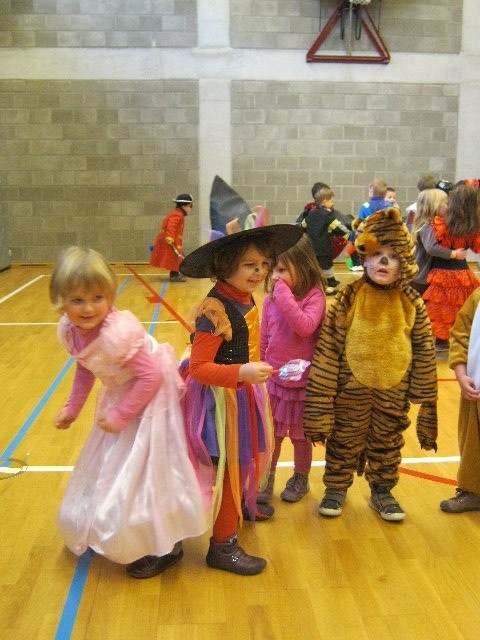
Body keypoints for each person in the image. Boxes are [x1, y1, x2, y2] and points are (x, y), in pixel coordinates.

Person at [50, 246, 208, 578]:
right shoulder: (71, 331)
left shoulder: (117, 333)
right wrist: (72, 408)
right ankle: (117, 528)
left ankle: (166, 545)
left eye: (97, 298)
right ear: (61, 302)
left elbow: (151, 377)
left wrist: (121, 415)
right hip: (125, 394)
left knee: (150, 470)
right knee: (116, 465)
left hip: (152, 398)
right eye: (77, 300)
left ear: (110, 297)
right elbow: (86, 366)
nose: (88, 308)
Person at [179, 224, 303, 575]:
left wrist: (257, 368)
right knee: (233, 466)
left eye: (264, 264)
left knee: (246, 462)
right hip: (220, 403)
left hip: (243, 394)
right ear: (225, 265)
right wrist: (242, 372)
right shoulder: (214, 310)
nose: (260, 272)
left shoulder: (244, 296)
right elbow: (199, 368)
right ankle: (223, 545)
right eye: (250, 265)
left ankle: (242, 504)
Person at [304, 207, 438, 522]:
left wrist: (425, 396)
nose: (382, 263)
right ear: (364, 258)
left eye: (391, 257)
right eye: (376, 255)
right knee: (343, 440)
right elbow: (329, 348)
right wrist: (321, 400)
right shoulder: (349, 297)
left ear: (403, 262)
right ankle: (336, 488)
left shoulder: (412, 302)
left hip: (394, 390)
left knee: (387, 442)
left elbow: (424, 349)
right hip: (350, 389)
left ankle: (382, 490)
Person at [258, 234, 326, 504]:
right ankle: (266, 475)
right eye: (273, 270)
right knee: (272, 435)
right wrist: (262, 366)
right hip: (275, 382)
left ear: (303, 265)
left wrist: (284, 295)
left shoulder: (315, 297)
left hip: (303, 385)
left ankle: (301, 477)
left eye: (282, 270)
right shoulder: (270, 301)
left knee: (301, 437)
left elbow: (305, 326)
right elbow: (265, 337)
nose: (275, 277)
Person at [423, 184, 480, 351]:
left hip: (442, 273)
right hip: (462, 274)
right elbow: (476, 247)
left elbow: (432, 247)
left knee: (442, 311)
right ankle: (458, 344)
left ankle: (443, 343)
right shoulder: (472, 226)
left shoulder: (439, 224)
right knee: (461, 310)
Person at [440, 288, 480, 513]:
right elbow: (460, 335)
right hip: (476, 387)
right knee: (473, 443)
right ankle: (474, 491)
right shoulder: (477, 297)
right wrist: (461, 373)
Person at [410, 188, 467, 299]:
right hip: (422, 277)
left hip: (426, 276)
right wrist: (454, 254)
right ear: (434, 207)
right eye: (446, 203)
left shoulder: (434, 224)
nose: (448, 207)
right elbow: (432, 248)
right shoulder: (428, 225)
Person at [302, 187, 350, 295]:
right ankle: (331, 286)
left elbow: (303, 226)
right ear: (325, 201)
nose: (333, 203)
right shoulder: (327, 215)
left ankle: (314, 284)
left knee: (315, 266)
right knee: (327, 266)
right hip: (324, 247)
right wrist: (348, 235)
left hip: (311, 247)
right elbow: (338, 227)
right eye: (331, 201)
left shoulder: (310, 213)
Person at [150, 193, 193, 282]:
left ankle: (181, 272)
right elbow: (171, 225)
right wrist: (170, 237)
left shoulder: (178, 213)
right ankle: (174, 276)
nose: (191, 208)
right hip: (169, 240)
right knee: (175, 258)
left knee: (179, 257)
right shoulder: (177, 214)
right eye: (190, 206)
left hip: (172, 239)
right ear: (184, 206)